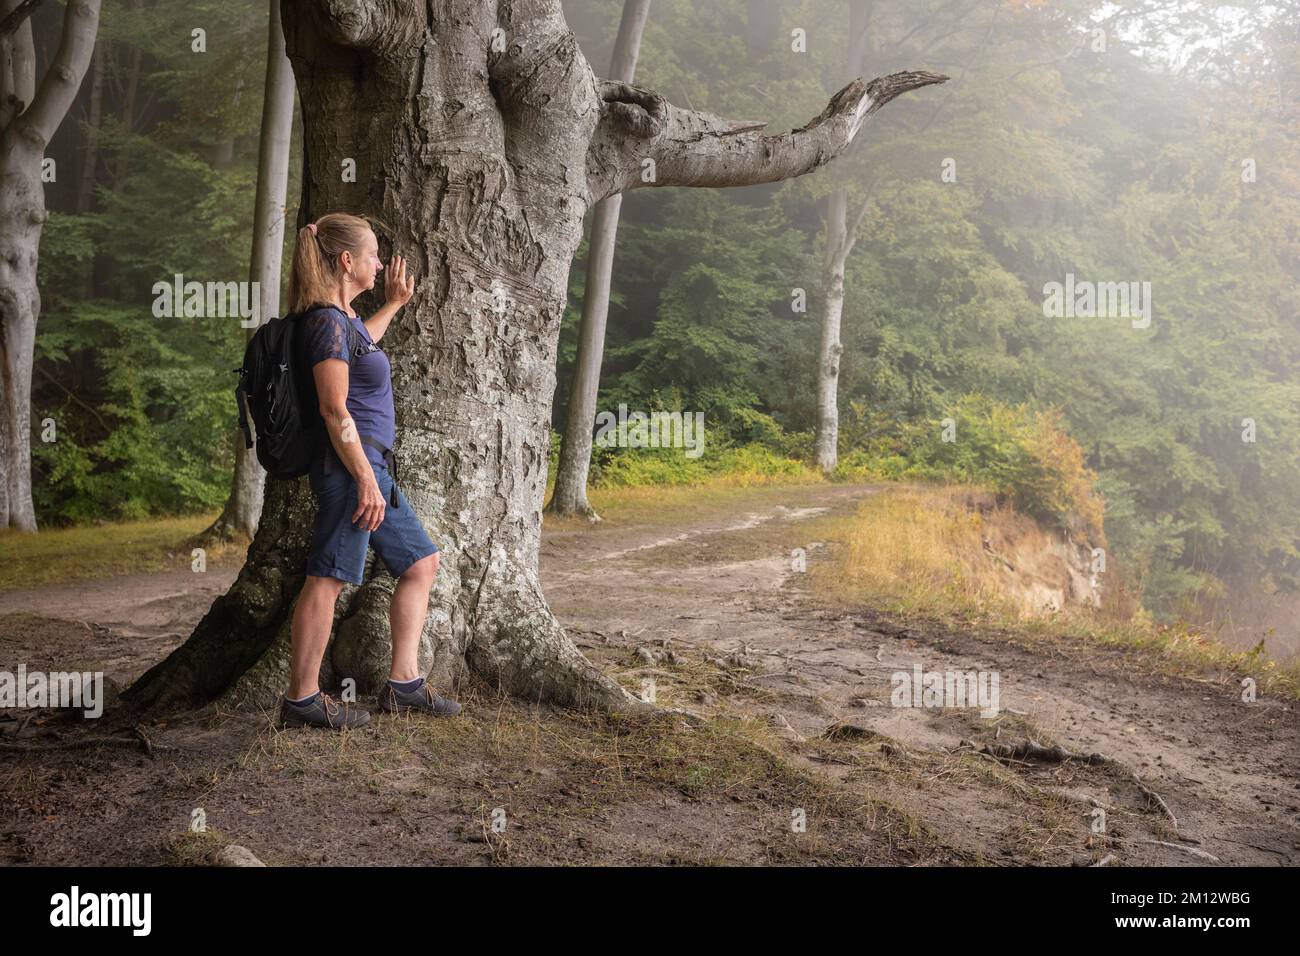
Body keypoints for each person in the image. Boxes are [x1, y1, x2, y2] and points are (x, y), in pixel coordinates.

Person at [276, 212, 461, 730]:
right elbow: (335, 412)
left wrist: (395, 305)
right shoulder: (324, 324)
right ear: (346, 261)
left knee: (421, 563)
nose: (381, 264)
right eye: (374, 255)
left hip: (371, 466)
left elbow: (363, 348)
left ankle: (403, 686)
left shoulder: (345, 320)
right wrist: (362, 478)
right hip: (349, 470)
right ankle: (302, 699)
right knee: (329, 579)